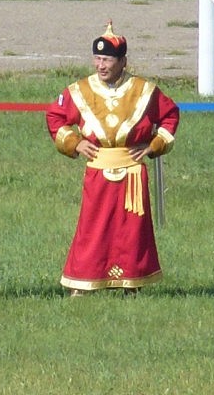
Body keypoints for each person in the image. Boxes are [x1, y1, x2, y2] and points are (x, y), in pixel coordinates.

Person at [45, 21, 180, 297]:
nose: (101, 65)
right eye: (97, 58)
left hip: (132, 171)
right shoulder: (79, 90)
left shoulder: (144, 90)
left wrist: (154, 145)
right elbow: (55, 117)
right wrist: (75, 142)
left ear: (122, 61)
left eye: (107, 60)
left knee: (131, 231)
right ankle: (83, 283)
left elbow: (170, 115)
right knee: (92, 229)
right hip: (98, 169)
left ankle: (132, 283)